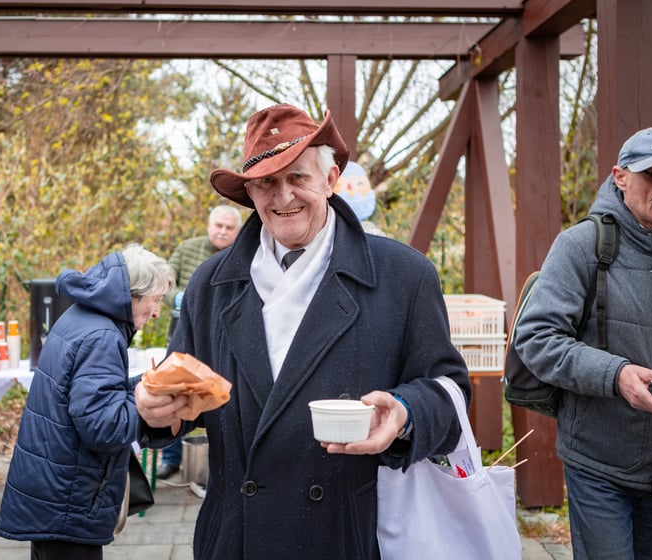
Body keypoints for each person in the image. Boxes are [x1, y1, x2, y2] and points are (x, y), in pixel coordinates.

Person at [135, 103, 471, 559]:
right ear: (248, 192)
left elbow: (451, 392)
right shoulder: (211, 284)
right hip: (236, 537)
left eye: (298, 178)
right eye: (267, 182)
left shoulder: (404, 276)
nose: (283, 197)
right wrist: (152, 407)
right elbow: (184, 390)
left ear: (331, 181)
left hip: (347, 535)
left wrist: (406, 413)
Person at [514, 127, 652, 560]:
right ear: (620, 177)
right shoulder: (581, 246)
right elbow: (536, 338)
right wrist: (617, 375)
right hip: (600, 466)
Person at [0, 244, 174, 560]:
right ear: (132, 295)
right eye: (156, 300)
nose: (157, 311)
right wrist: (156, 407)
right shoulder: (102, 336)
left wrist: (147, 386)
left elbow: (91, 396)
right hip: (69, 499)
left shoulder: (83, 315)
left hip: (53, 492)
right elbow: (102, 427)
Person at [156, 204, 243, 480]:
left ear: (237, 231)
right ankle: (171, 459)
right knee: (176, 391)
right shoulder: (187, 248)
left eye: (229, 228)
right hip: (183, 332)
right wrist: (182, 298)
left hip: (224, 339)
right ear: (209, 226)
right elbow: (164, 283)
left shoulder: (246, 254)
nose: (223, 231)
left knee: (221, 397)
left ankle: (220, 463)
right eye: (219, 226)